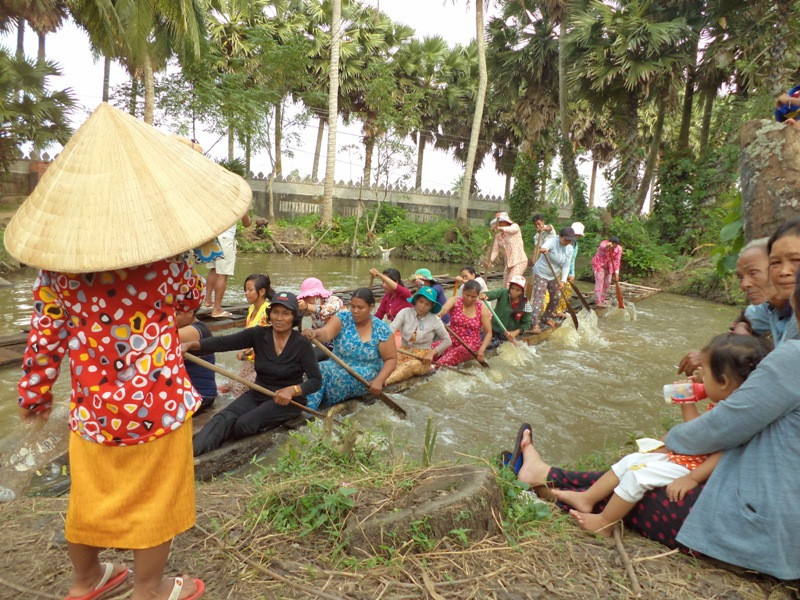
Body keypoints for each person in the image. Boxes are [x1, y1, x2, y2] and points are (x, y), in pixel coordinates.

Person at [7, 104, 252, 599]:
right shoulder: (163, 266)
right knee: (154, 503)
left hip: (93, 408)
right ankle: (150, 589)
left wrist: (34, 396)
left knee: (88, 499)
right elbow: (189, 304)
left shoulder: (56, 273)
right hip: (156, 405)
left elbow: (44, 338)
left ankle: (85, 581)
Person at [511, 271, 800, 579]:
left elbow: (719, 438)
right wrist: (687, 410)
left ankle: (584, 505)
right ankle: (553, 480)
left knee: (637, 484)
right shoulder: (775, 352)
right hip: (759, 506)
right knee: (635, 464)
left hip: (760, 525)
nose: (782, 272)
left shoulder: (791, 358)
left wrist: (677, 442)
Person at [554, 334, 770, 537]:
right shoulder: (726, 404)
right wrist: (688, 399)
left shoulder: (735, 418)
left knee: (638, 476)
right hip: (688, 457)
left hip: (693, 467)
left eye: (704, 370)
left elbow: (722, 453)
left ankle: (605, 522)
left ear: (723, 382)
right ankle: (587, 498)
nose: (699, 375)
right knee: (633, 460)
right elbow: (698, 433)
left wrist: (692, 478)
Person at [189, 292, 322, 456]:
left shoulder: (302, 344)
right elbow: (223, 342)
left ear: (294, 317)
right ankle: (189, 456)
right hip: (258, 393)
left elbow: (316, 381)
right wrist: (190, 345)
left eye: (285, 313)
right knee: (222, 418)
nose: (279, 318)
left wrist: (293, 390)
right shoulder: (259, 334)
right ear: (270, 314)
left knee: (244, 425)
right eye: (275, 312)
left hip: (286, 402)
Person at [677, 238, 771, 376]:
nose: (744, 285)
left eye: (753, 273)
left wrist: (710, 359)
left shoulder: (794, 317)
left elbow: (782, 368)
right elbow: (744, 320)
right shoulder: (770, 308)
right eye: (740, 277)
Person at [303, 288, 397, 410]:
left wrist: (379, 380)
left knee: (339, 379)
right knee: (318, 369)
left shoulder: (382, 329)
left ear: (371, 307)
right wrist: (314, 333)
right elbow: (325, 333)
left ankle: (322, 405)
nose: (355, 311)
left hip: (365, 372)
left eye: (360, 307)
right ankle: (309, 408)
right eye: (352, 306)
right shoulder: (342, 318)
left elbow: (391, 359)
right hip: (337, 363)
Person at [741, 219, 800, 345]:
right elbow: (747, 316)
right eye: (775, 262)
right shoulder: (772, 306)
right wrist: (740, 326)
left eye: (796, 260)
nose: (784, 271)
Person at [222, 273, 274, 398]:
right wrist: (244, 350)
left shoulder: (268, 310)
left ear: (262, 291)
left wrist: (250, 350)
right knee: (227, 386)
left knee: (238, 388)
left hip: (266, 363)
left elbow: (270, 338)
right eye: (245, 290)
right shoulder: (251, 309)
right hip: (252, 361)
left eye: (250, 290)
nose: (246, 293)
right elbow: (249, 337)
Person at [385, 286, 451, 385]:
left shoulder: (435, 320)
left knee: (408, 366)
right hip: (403, 351)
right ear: (415, 300)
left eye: (427, 304)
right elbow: (390, 330)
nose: (422, 306)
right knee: (386, 363)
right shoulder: (405, 313)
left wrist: (432, 353)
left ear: (431, 306)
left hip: (422, 358)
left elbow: (447, 341)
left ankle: (383, 383)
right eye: (420, 301)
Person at [202, 212, 252, 318]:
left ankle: (208, 301)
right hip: (225, 239)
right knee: (223, 274)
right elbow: (246, 223)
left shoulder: (219, 198)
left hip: (213, 236)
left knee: (214, 269)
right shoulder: (238, 202)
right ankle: (217, 309)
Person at [530, 227, 576, 333]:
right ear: (560, 237)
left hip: (554, 275)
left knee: (556, 297)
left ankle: (546, 318)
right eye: (566, 239)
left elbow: (566, 266)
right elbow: (545, 246)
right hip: (541, 273)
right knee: (539, 299)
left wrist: (563, 281)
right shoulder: (552, 241)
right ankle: (535, 324)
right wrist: (544, 249)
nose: (568, 242)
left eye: (570, 240)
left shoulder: (569, 249)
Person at [437, 280, 493, 366]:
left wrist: (481, 350)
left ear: (478, 296)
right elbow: (443, 310)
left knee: (446, 359)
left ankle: (433, 367)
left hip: (470, 345)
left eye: (473, 297)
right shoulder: (454, 300)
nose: (469, 299)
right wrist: (439, 314)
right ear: (463, 292)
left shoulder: (482, 308)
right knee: (430, 350)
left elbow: (489, 332)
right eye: (467, 295)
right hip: (451, 339)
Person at [177, 309, 217, 416]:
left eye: (177, 314)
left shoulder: (193, 331)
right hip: (187, 393)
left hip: (200, 396)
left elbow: (155, 338)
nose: (171, 317)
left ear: (190, 312)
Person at [480, 275, 532, 348]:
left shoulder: (525, 303)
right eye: (512, 288)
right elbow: (492, 294)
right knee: (479, 341)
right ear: (509, 287)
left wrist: (515, 333)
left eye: (517, 290)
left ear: (522, 291)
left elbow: (527, 323)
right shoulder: (503, 292)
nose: (513, 292)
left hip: (507, 335)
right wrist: (485, 295)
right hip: (492, 328)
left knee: (490, 346)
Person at [485, 212, 527, 287]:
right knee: (504, 286)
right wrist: (489, 261)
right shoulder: (498, 236)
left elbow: (512, 229)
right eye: (498, 223)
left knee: (510, 285)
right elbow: (494, 251)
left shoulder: (514, 227)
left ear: (506, 221)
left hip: (519, 261)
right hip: (508, 263)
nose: (499, 224)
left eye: (501, 222)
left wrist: (501, 228)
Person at [591, 236, 622, 308]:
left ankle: (602, 298)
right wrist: (608, 246)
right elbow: (603, 247)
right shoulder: (604, 243)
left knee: (608, 282)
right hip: (599, 264)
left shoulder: (619, 249)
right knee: (600, 281)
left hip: (609, 266)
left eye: (616, 244)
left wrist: (616, 273)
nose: (614, 246)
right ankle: (598, 301)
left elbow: (617, 261)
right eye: (613, 244)